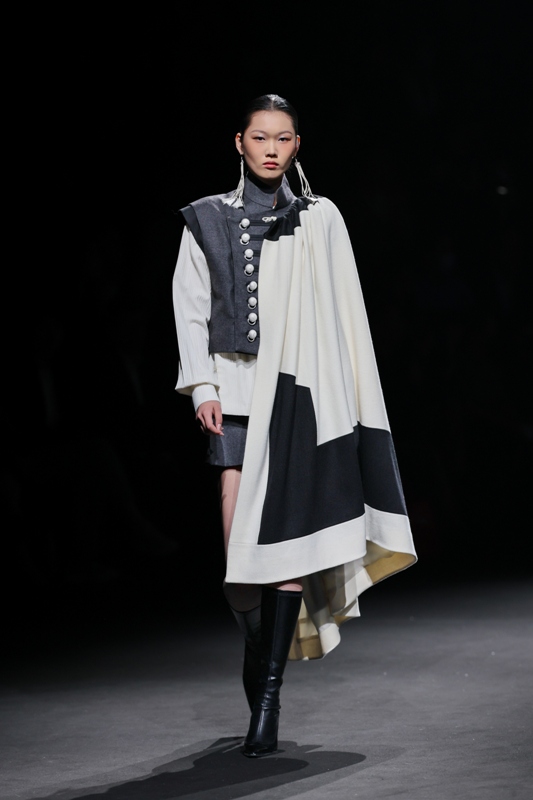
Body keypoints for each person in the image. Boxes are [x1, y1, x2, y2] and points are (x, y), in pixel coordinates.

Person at [172, 94, 417, 758]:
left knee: (281, 551)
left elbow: (343, 316)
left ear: (296, 146)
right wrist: (201, 387)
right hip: (234, 399)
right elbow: (190, 309)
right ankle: (259, 646)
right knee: (239, 566)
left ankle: (269, 699)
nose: (271, 149)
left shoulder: (317, 218)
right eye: (260, 137)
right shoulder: (205, 219)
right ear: (239, 142)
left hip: (294, 401)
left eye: (283, 138)